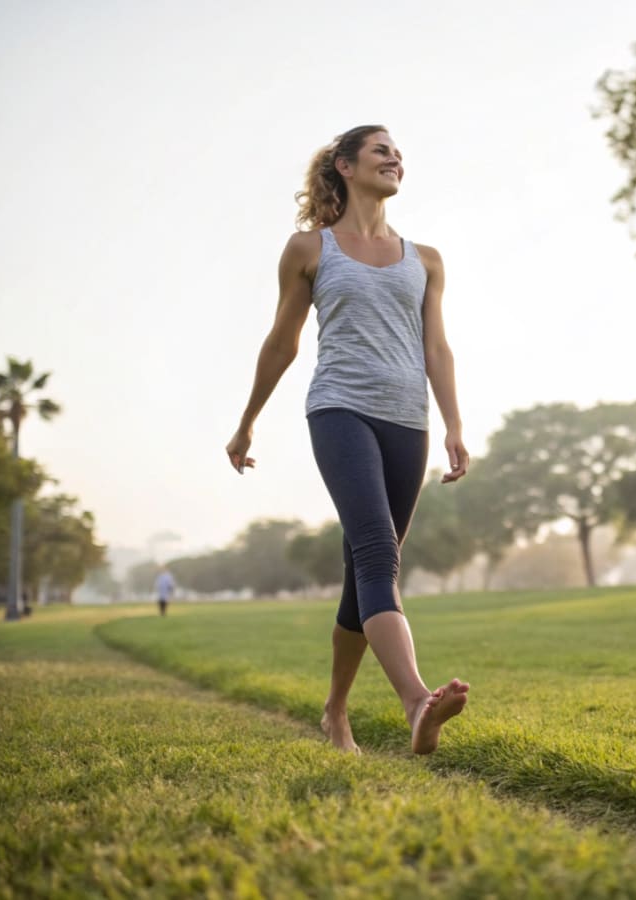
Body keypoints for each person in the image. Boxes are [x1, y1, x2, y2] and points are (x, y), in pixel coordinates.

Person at [225, 124, 470, 756]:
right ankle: (418, 702)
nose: (395, 160)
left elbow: (436, 348)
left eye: (399, 154)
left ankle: (335, 712)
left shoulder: (426, 259)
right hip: (339, 409)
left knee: (362, 575)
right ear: (345, 165)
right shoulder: (310, 249)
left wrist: (453, 426)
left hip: (406, 420)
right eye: (381, 150)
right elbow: (283, 341)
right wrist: (248, 419)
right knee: (376, 552)